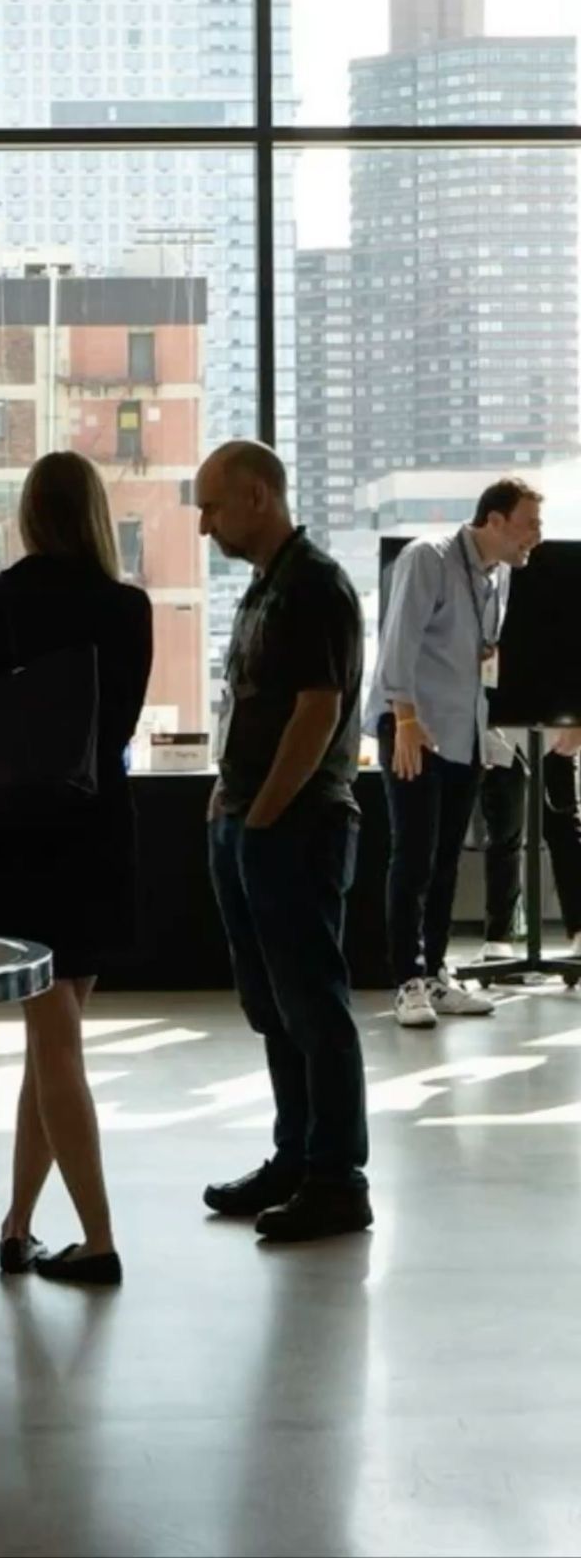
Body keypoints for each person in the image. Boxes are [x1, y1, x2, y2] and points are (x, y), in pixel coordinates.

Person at [0, 451, 152, 1286]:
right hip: (94, 833)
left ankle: (98, 1242)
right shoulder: (127, 608)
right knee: (53, 1038)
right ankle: (19, 1226)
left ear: (27, 513)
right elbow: (119, 721)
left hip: (7, 839)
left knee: (51, 1040)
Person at [197, 441, 372, 1245]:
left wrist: (262, 812)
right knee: (273, 1005)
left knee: (312, 1004)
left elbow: (318, 712)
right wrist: (228, 802)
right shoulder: (265, 590)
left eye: (213, 506)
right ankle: (296, 1157)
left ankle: (337, 1178)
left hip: (295, 828)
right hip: (249, 821)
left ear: (259, 496)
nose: (205, 525)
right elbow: (254, 704)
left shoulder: (315, 586)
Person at [366, 478, 543, 1028]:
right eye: (529, 524)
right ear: (494, 520)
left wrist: (481, 729)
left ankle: (437, 973)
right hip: (415, 726)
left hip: (462, 732)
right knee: (413, 856)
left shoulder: (500, 577)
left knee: (444, 860)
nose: (536, 536)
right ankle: (407, 981)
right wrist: (407, 719)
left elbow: (479, 656)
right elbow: (398, 640)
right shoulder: (429, 559)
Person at [479, 731, 581, 960]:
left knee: (564, 833)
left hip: (555, 733)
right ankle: (498, 937)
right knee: (503, 833)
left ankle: (579, 929)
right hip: (499, 737)